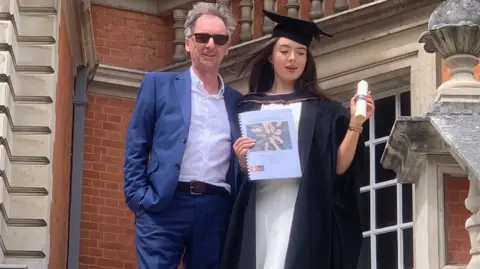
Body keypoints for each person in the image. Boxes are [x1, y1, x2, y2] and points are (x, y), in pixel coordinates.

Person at [220, 10, 375, 269]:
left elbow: (337, 168)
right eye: (285, 51)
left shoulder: (323, 111)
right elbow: (238, 173)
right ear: (270, 57)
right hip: (259, 206)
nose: (293, 58)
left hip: (304, 209)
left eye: (300, 53)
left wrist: (355, 124)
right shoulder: (248, 108)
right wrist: (242, 159)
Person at [123, 2, 242, 269]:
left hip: (216, 209)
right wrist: (138, 197)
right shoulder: (158, 85)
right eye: (202, 37)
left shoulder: (238, 102)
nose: (210, 44)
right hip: (164, 204)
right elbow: (136, 144)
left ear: (227, 47)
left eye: (219, 39)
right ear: (188, 43)